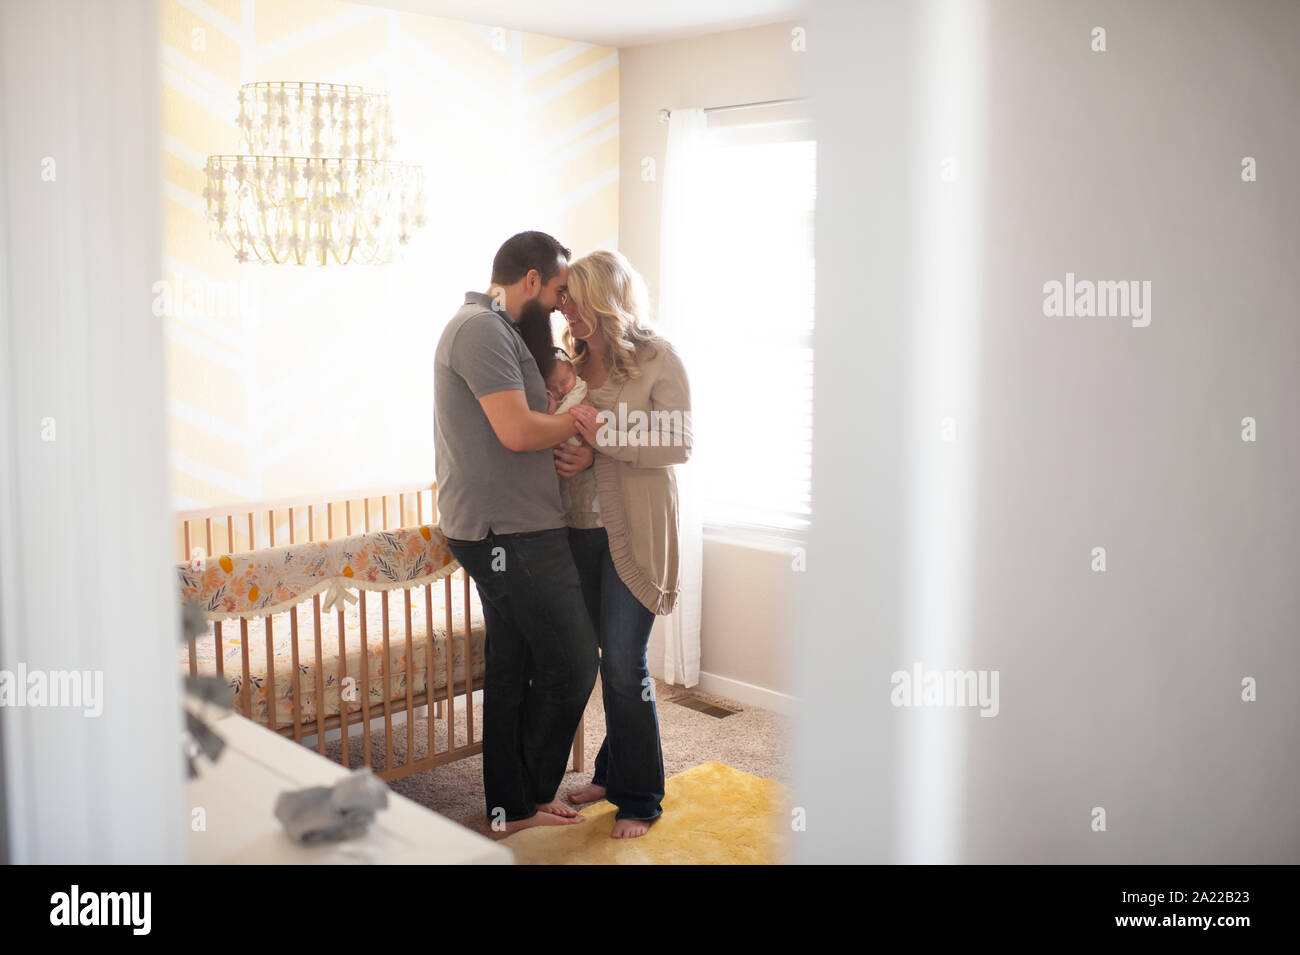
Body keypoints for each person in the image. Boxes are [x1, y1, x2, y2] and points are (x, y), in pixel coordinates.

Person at [433, 230, 599, 835]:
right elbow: (517, 433)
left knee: (514, 664)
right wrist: (577, 420)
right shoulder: (480, 330)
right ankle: (527, 795)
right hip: (510, 532)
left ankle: (511, 806)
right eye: (557, 290)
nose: (560, 304)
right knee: (575, 662)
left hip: (503, 525)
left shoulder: (498, 330)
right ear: (530, 280)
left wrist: (551, 371)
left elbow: (523, 409)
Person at [554, 249, 693, 839]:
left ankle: (640, 797)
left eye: (576, 296)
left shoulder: (657, 357)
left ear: (606, 298)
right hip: (577, 532)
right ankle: (612, 771)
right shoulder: (573, 362)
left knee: (626, 662)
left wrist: (601, 441)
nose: (567, 307)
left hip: (632, 531)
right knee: (601, 661)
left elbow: (679, 441)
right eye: (564, 297)